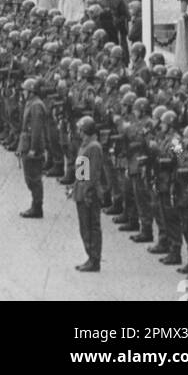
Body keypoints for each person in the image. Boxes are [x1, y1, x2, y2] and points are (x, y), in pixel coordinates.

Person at [72, 115, 107, 273]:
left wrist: (85, 190)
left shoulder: (93, 147)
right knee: (85, 226)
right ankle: (91, 257)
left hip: (90, 192)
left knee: (91, 226)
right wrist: (76, 187)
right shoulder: (85, 145)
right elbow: (82, 171)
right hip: (83, 189)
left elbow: (92, 173)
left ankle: (94, 258)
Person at [18, 76, 48, 218]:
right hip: (27, 142)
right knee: (30, 177)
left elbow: (36, 128)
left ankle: (37, 206)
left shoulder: (36, 105)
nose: (23, 92)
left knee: (34, 177)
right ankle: (36, 204)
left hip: (32, 144)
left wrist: (33, 148)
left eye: (25, 90)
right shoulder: (31, 103)